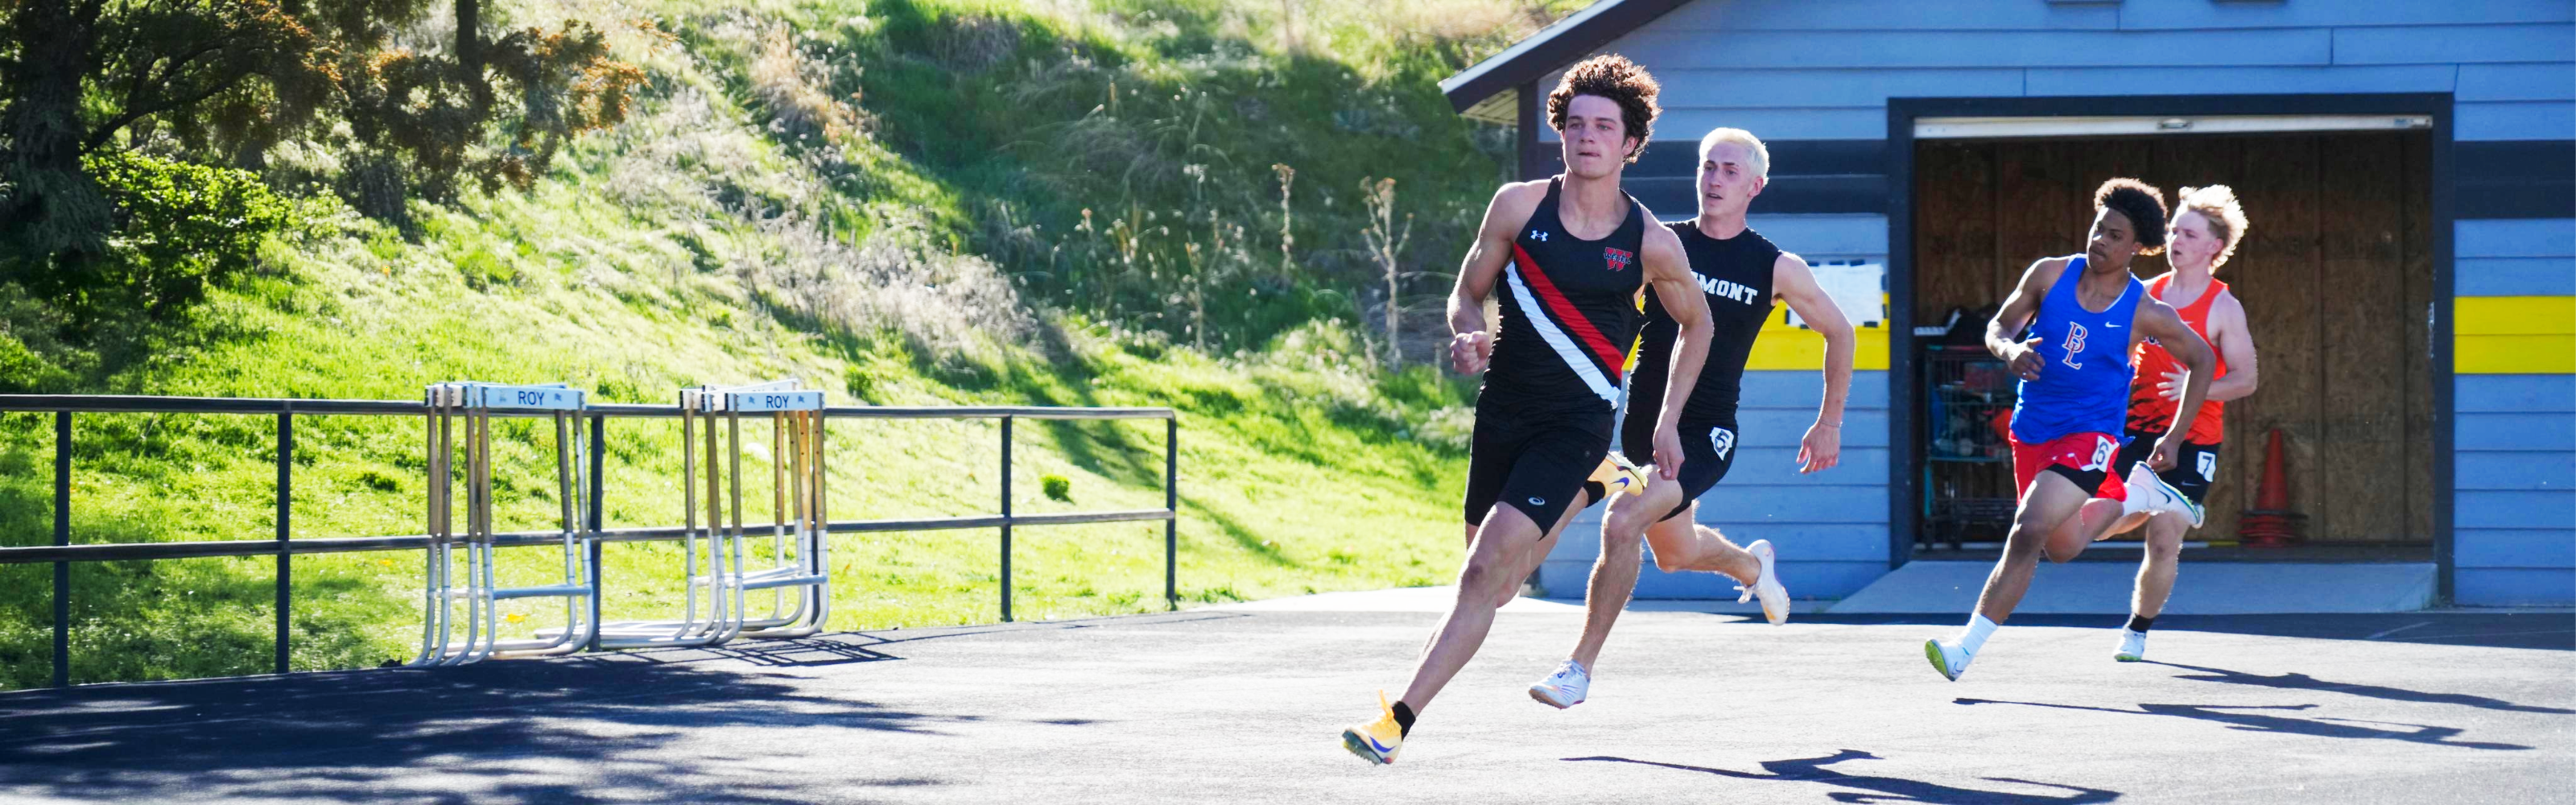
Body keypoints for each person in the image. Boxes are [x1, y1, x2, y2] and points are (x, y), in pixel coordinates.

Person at [1340, 54, 1712, 765]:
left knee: (1483, 572)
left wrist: (1667, 419)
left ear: (1631, 143)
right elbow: (1465, 292)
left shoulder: (1650, 243)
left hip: (1576, 422)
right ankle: (1596, 484)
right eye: (1576, 125)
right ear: (1560, 133)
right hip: (1502, 412)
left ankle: (1395, 723)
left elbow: (1700, 325)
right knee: (1499, 586)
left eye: (1604, 127)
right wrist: (1466, 332)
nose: (1587, 137)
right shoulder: (1518, 207)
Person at [1526, 126, 1856, 709]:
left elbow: (1841, 332)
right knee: (1675, 554)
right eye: (1707, 167)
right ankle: (1752, 567)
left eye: (1730, 171)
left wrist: (1829, 421)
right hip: (1643, 426)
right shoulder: (1662, 243)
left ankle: (1577, 670)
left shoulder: (1775, 267)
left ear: (1755, 186)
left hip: (1706, 432)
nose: (1714, 179)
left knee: (1622, 521)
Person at [1923, 178, 2215, 682]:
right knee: (2061, 547)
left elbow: (2203, 359)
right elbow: (1998, 327)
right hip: (2032, 429)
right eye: (2099, 228)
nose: (2100, 240)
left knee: (2028, 529)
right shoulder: (2049, 274)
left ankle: (1963, 649)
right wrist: (2011, 350)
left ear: (2138, 247)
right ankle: (2139, 495)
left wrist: (2173, 437)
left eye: (2115, 236)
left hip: (2090, 433)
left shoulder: (2145, 311)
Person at [2082, 185, 2260, 662]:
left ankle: (2137, 631)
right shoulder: (2145, 294)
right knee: (2099, 524)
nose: (2176, 240)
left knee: (2163, 542)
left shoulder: (2223, 307)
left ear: (2213, 247)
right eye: (2174, 231)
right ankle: (2144, 500)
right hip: (2137, 431)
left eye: (2189, 234)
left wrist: (2195, 387)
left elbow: (2246, 380)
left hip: (2193, 441)